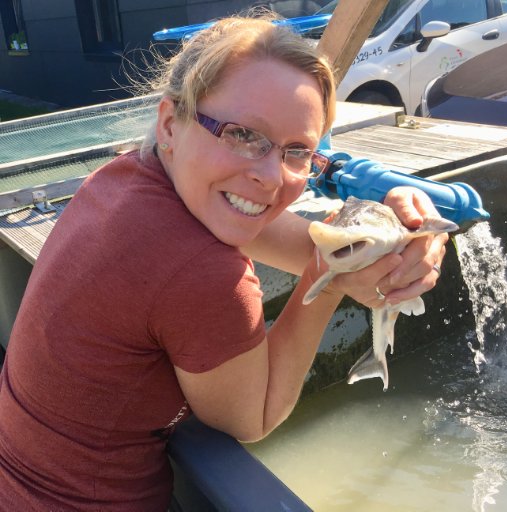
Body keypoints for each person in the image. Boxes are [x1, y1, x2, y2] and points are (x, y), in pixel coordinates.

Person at [0, 14, 448, 512]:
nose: (270, 177)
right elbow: (254, 417)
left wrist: (393, 236)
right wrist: (330, 278)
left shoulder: (125, 178)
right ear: (171, 123)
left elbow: (305, 242)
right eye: (241, 133)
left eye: (298, 151)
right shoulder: (200, 271)